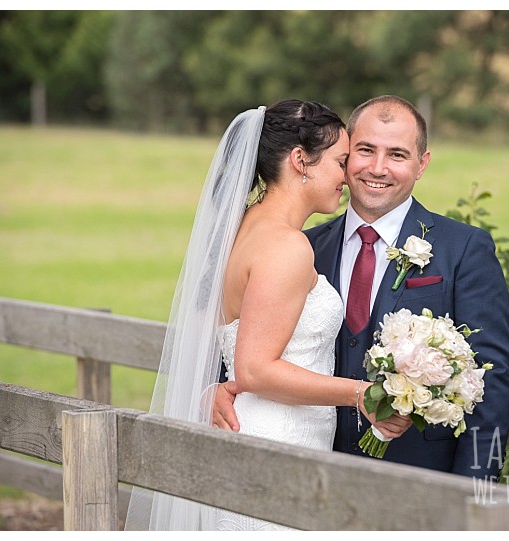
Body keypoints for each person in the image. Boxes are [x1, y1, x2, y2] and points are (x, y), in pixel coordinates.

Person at [124, 99, 409, 531]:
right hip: (278, 439)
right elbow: (255, 369)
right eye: (340, 161)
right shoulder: (286, 247)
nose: (347, 178)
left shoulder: (241, 228)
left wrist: (210, 390)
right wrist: (360, 394)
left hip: (256, 429)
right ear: (300, 161)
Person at [214, 95, 509, 479]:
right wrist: (212, 389)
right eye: (362, 151)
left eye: (397, 154)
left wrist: (476, 490)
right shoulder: (304, 245)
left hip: (421, 480)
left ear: (421, 164)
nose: (377, 168)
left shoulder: (464, 249)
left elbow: (494, 379)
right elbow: (244, 335)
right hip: (311, 463)